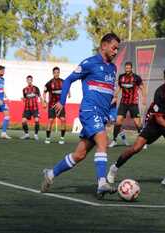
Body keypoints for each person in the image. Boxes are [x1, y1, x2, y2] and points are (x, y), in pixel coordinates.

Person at [40, 32, 120, 199]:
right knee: (103, 140)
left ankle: (51, 174)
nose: (115, 51)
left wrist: (111, 114)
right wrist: (62, 101)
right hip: (90, 110)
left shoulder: (113, 68)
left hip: (102, 115)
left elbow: (109, 94)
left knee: (80, 154)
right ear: (103, 45)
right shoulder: (89, 63)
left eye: (117, 49)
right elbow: (68, 80)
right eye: (114, 48)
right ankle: (102, 182)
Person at [107, 64, 165, 186]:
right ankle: (114, 168)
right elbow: (159, 118)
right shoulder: (160, 93)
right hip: (155, 122)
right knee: (136, 148)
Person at [109, 62, 146, 148]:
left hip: (133, 103)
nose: (127, 69)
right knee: (118, 122)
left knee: (138, 123)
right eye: (126, 68)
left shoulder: (136, 78)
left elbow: (142, 87)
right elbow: (119, 87)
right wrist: (115, 96)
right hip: (123, 103)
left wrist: (144, 98)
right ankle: (114, 140)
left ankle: (142, 142)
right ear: (125, 68)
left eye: (129, 68)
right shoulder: (121, 77)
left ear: (131, 68)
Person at [43, 67, 70, 144]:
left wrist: (68, 92)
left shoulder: (63, 82)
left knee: (63, 119)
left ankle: (62, 138)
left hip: (60, 105)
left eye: (58, 72)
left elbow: (67, 88)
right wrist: (44, 101)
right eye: (55, 72)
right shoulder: (49, 83)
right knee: (50, 120)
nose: (56, 74)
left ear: (59, 73)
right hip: (52, 105)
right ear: (53, 73)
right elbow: (44, 92)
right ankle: (48, 138)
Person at [20, 75, 43, 140]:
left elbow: (40, 97)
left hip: (35, 108)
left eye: (30, 80)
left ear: (32, 80)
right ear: (26, 81)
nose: (29, 81)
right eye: (28, 80)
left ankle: (36, 135)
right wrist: (23, 99)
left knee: (37, 120)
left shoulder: (36, 88)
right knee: (23, 121)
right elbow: (25, 98)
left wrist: (43, 104)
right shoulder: (24, 89)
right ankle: (26, 134)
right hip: (27, 108)